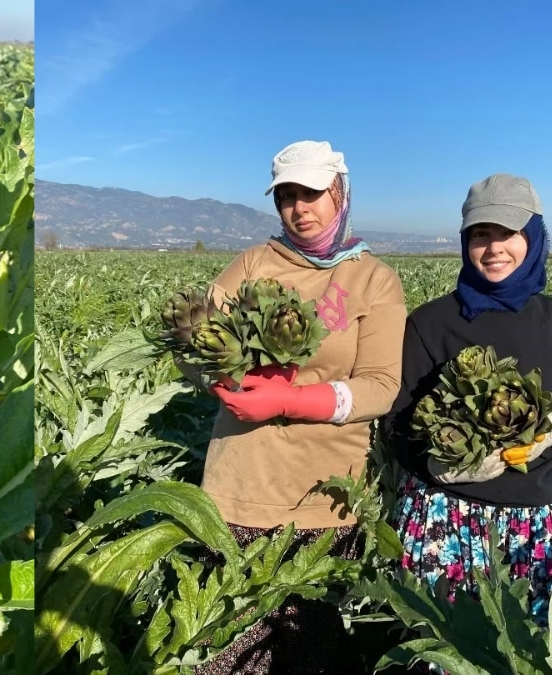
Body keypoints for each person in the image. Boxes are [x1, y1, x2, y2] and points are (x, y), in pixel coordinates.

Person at [179, 140, 407, 674]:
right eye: (286, 196)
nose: (299, 207)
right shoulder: (254, 264)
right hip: (238, 485)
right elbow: (192, 351)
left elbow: (380, 386)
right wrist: (224, 378)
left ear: (339, 193)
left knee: (306, 653)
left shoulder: (371, 279)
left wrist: (293, 398)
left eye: (312, 193)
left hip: (323, 498)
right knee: (226, 648)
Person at [383, 173, 552, 664]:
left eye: (507, 232)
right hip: (446, 518)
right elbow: (397, 424)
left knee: (551, 659)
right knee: (449, 657)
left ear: (535, 236)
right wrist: (441, 467)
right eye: (480, 234)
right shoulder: (429, 323)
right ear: (465, 241)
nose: (493, 247)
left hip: (543, 526)